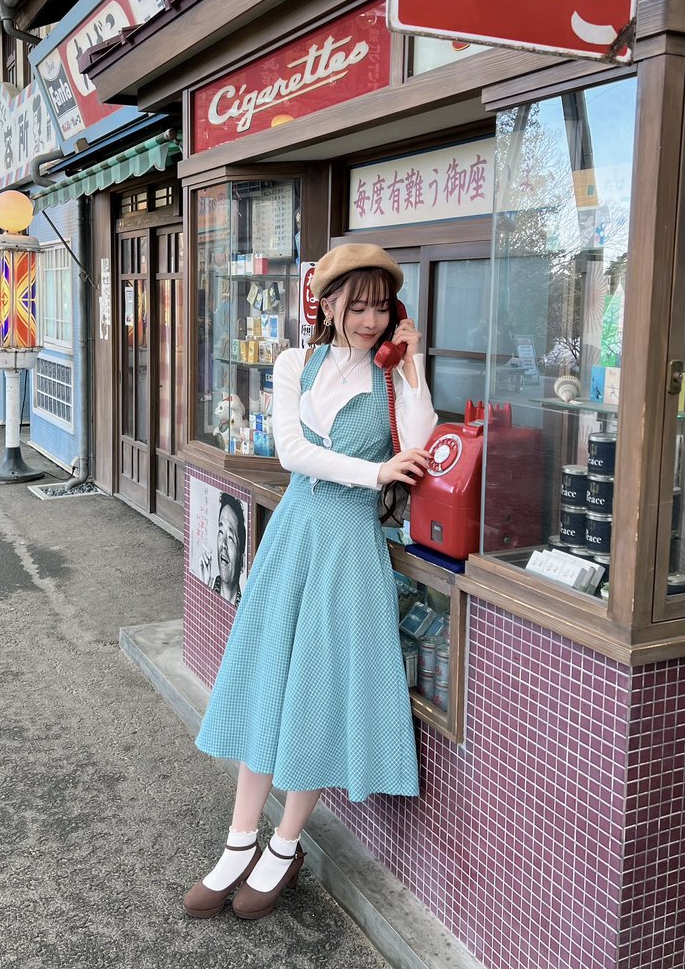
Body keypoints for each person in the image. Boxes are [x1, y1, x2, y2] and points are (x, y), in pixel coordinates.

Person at [184, 244, 438, 921]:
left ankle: (285, 843)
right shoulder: (295, 363)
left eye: (380, 308)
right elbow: (293, 452)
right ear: (327, 305)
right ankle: (239, 840)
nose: (370, 320)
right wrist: (374, 472)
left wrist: (411, 366)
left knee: (317, 692)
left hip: (350, 546)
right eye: (357, 307)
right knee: (268, 678)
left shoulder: (394, 377)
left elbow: (419, 445)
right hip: (297, 532)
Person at [199, 493, 247, 607]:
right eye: (221, 532)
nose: (223, 544)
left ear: (242, 562)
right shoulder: (207, 585)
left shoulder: (245, 607)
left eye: (230, 537)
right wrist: (203, 587)